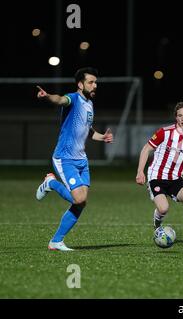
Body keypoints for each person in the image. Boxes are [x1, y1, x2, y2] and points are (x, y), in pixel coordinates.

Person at [35, 67, 114, 251]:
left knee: (81, 202)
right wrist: (47, 96)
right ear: (80, 84)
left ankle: (56, 241)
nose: (95, 86)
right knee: (78, 199)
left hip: (81, 160)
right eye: (90, 82)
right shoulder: (74, 98)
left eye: (96, 82)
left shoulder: (89, 104)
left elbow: (87, 129)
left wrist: (101, 136)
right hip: (65, 158)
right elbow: (60, 99)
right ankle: (51, 183)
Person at [136, 102, 183, 246]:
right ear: (176, 117)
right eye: (179, 115)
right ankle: (157, 224)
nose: (182, 118)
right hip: (157, 176)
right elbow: (146, 149)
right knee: (163, 208)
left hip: (175, 178)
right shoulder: (164, 132)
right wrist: (140, 171)